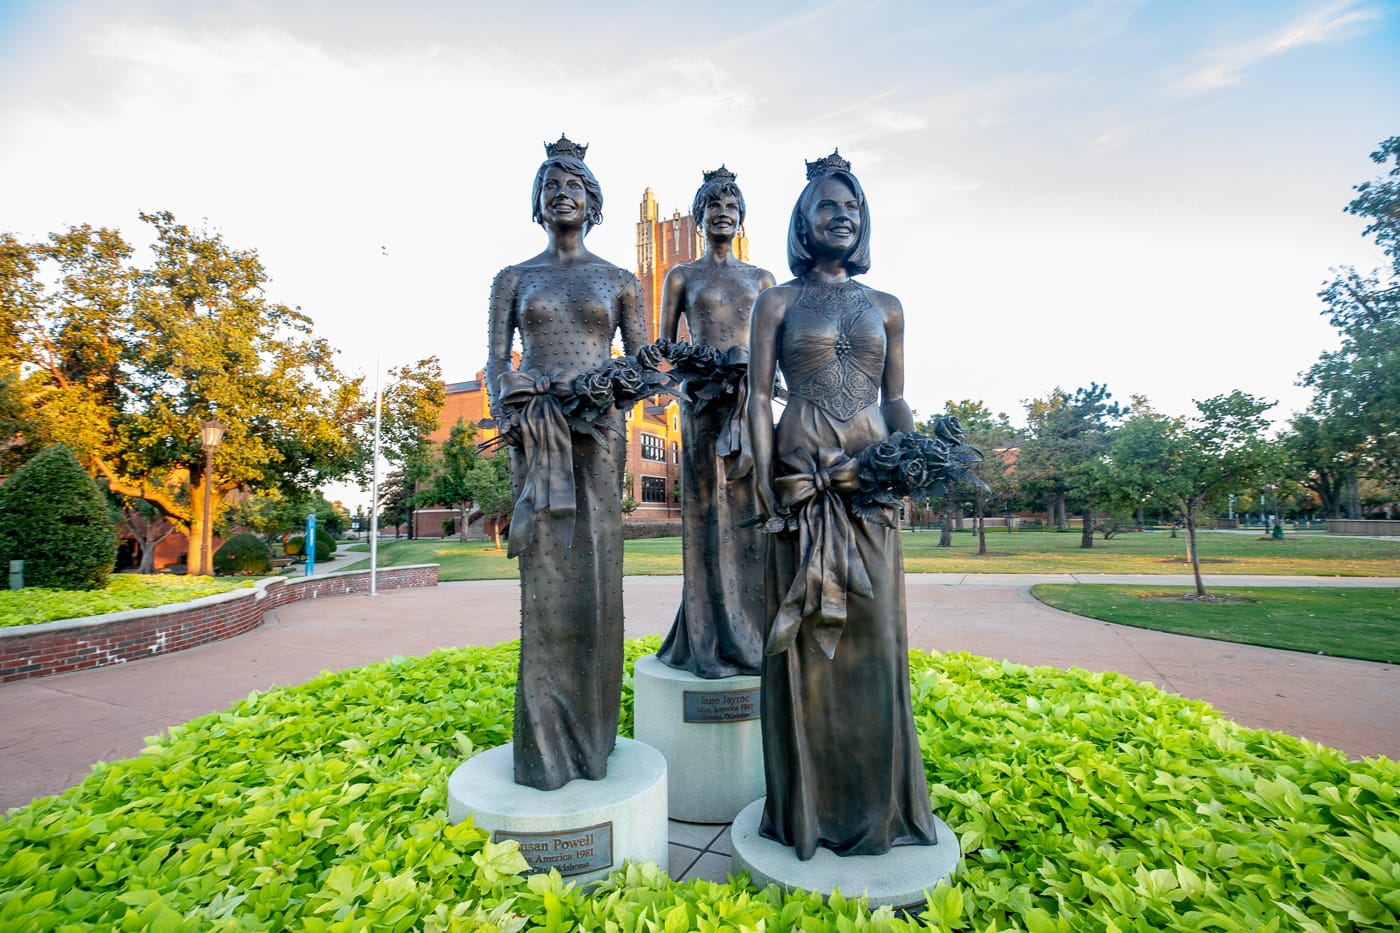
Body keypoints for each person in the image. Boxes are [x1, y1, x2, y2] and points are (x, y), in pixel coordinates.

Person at [746, 150, 939, 859]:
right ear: (803, 218)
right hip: (802, 478)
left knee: (874, 640)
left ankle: (878, 806)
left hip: (872, 483)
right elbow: (757, 399)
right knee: (804, 645)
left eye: (852, 207)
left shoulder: (887, 305)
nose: (842, 215)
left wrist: (914, 462)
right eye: (828, 205)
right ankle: (809, 808)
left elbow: (893, 398)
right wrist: (766, 484)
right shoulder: (777, 301)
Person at [485, 136, 646, 791]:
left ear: (592, 200)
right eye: (550, 184)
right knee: (546, 583)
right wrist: (512, 398)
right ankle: (545, 747)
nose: (562, 193)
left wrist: (612, 385)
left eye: (574, 185)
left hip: (599, 434)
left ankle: (592, 741)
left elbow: (644, 363)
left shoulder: (621, 280)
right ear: (537, 200)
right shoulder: (513, 279)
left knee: (599, 577)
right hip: (540, 436)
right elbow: (497, 361)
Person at [655, 167, 776, 678]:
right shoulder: (682, 276)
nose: (722, 213)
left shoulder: (761, 279)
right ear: (701, 217)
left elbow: (777, 352)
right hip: (701, 405)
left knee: (749, 510)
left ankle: (749, 634)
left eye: (731, 207)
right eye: (713, 206)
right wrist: (695, 368)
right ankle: (706, 641)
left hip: (750, 407)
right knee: (705, 512)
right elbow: (663, 348)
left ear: (741, 218)